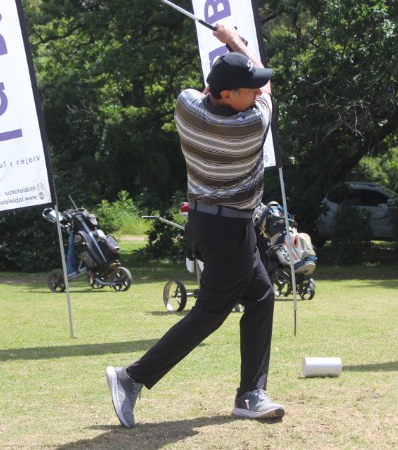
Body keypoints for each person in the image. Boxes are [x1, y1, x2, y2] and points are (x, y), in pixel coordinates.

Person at [106, 23, 283, 428]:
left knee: (261, 296)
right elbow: (268, 90)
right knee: (210, 313)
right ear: (227, 96)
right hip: (230, 232)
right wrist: (233, 39)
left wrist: (227, 59)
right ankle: (131, 377)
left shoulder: (186, 107)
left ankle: (250, 393)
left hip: (204, 224)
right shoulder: (251, 125)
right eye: (247, 88)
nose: (256, 90)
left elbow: (208, 91)